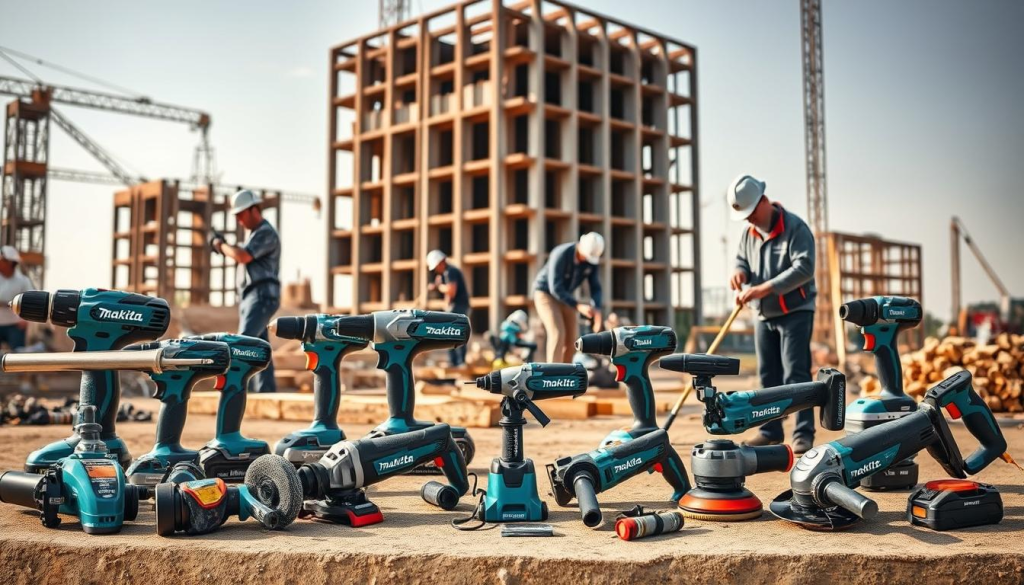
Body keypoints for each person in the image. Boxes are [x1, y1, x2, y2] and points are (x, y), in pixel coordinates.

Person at [728, 175, 817, 454]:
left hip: (795, 312)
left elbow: (804, 268)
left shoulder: (796, 228)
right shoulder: (748, 233)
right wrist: (739, 272)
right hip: (763, 314)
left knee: (796, 374)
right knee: (768, 375)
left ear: (764, 202)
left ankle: (803, 432)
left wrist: (764, 289)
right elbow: (741, 258)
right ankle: (770, 429)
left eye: (751, 213)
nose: (749, 220)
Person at [212, 190, 281, 393]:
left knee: (242, 344)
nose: (239, 220)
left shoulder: (265, 233)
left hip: (261, 296)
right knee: (258, 345)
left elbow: (243, 256)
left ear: (253, 210)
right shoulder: (254, 235)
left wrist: (220, 245)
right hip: (252, 297)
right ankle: (266, 393)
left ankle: (234, 390)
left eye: (241, 215)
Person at [533, 232, 605, 363]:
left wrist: (597, 310)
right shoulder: (560, 254)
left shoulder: (591, 262)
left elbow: (595, 287)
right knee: (557, 332)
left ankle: (566, 374)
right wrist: (578, 305)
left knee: (572, 338)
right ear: (580, 247)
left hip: (566, 296)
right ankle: (552, 376)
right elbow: (555, 287)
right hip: (545, 294)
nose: (587, 260)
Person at [426, 250, 470, 367]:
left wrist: (438, 287)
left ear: (441, 262)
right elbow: (448, 296)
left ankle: (460, 362)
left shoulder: (450, 271)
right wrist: (446, 305)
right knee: (449, 333)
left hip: (459, 306)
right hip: (455, 306)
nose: (436, 270)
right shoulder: (447, 273)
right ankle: (454, 361)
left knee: (456, 332)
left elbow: (451, 291)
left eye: (436, 267)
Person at [0, 246, 34, 351]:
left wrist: (25, 320)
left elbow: (30, 301)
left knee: (17, 356)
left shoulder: (23, 281)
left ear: (9, 263)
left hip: (15, 326)